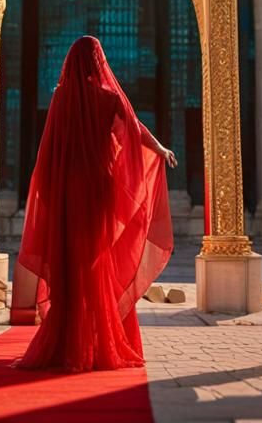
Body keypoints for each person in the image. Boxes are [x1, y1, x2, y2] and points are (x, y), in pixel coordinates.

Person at [11, 35, 176, 371]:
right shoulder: (109, 98)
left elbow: (48, 151)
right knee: (95, 262)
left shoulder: (61, 97)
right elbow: (134, 130)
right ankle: (97, 341)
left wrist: (48, 193)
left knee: (69, 262)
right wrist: (160, 149)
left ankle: (67, 340)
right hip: (99, 190)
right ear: (98, 62)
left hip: (66, 190)